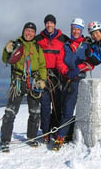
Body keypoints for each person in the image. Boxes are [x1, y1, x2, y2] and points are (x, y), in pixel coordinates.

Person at [0, 22, 47, 151]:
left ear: (34, 33)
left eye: (32, 31)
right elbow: (5, 59)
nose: (29, 33)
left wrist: (42, 80)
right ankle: (5, 140)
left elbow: (43, 65)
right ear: (23, 31)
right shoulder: (16, 44)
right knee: (10, 113)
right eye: (27, 30)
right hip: (18, 81)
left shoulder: (37, 48)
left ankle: (32, 138)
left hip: (34, 82)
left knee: (35, 113)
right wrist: (7, 50)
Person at [52, 18, 94, 151]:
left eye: (78, 29)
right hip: (67, 79)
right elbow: (59, 61)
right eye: (73, 29)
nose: (75, 31)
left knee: (76, 108)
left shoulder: (86, 45)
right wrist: (66, 72)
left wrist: (79, 68)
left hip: (79, 80)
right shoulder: (66, 45)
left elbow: (91, 63)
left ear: (81, 31)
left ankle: (63, 135)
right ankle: (62, 135)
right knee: (66, 108)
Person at [35, 14, 69, 144]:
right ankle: (45, 132)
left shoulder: (62, 38)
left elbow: (74, 45)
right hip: (43, 76)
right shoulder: (38, 39)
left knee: (57, 105)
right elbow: (28, 45)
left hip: (57, 76)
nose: (49, 25)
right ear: (45, 24)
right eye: (47, 23)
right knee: (44, 105)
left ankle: (55, 130)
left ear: (54, 24)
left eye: (51, 23)